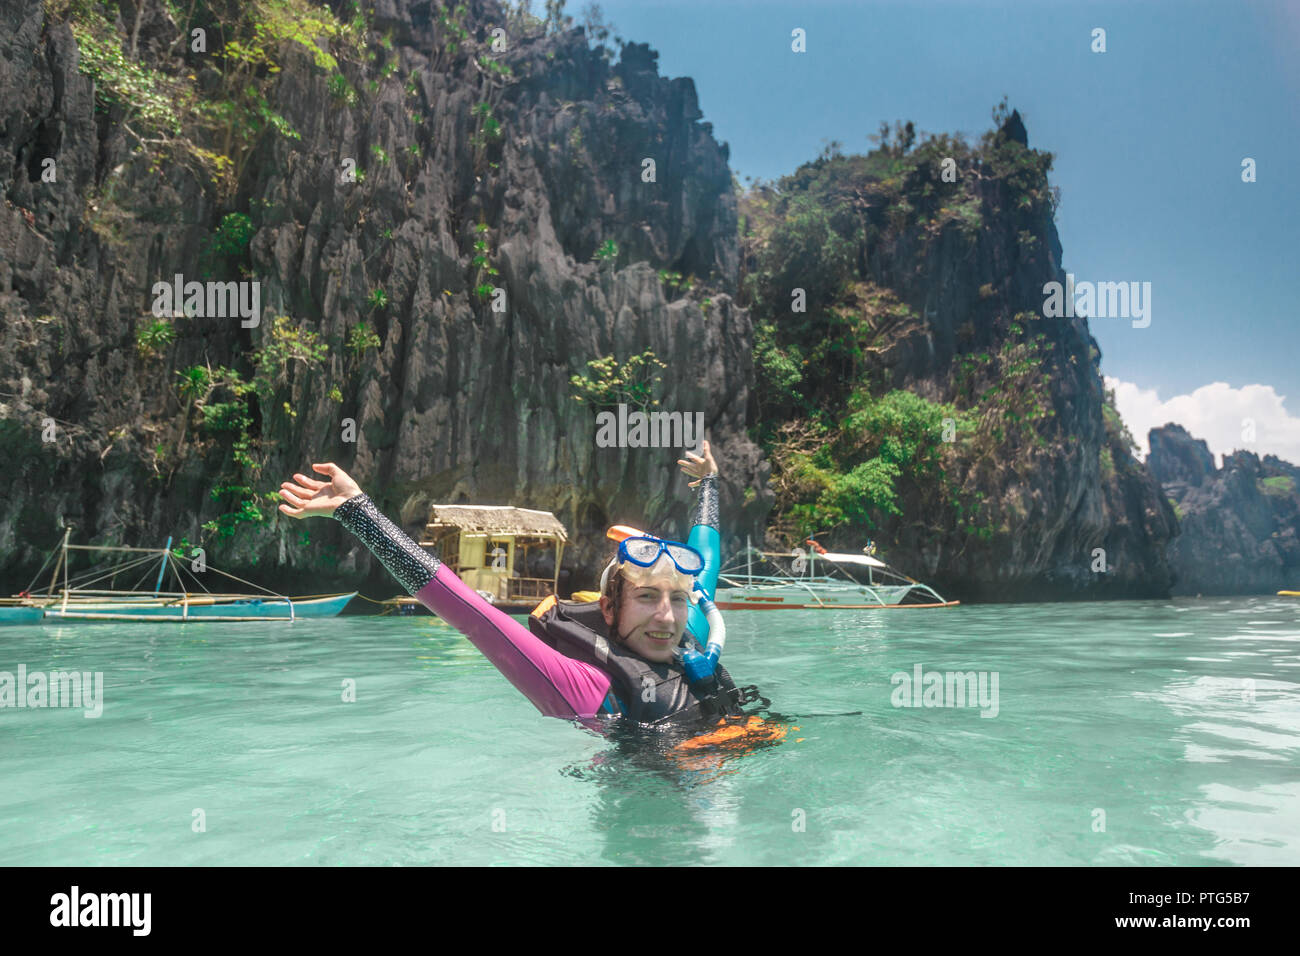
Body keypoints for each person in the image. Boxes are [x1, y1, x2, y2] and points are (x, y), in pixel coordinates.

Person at [276, 441, 770, 737]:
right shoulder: (590, 687)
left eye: (677, 599)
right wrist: (357, 512)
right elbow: (470, 613)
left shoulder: (689, 636)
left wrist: (709, 485)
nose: (666, 616)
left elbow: (705, 560)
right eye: (645, 597)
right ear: (608, 607)